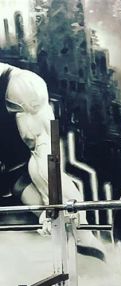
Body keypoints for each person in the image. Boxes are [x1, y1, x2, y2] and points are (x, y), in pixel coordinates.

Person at [0, 62, 104, 260]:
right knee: (17, 183)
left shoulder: (18, 87)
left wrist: (53, 208)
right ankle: (64, 227)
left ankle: (77, 229)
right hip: (11, 152)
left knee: (39, 149)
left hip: (16, 88)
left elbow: (45, 154)